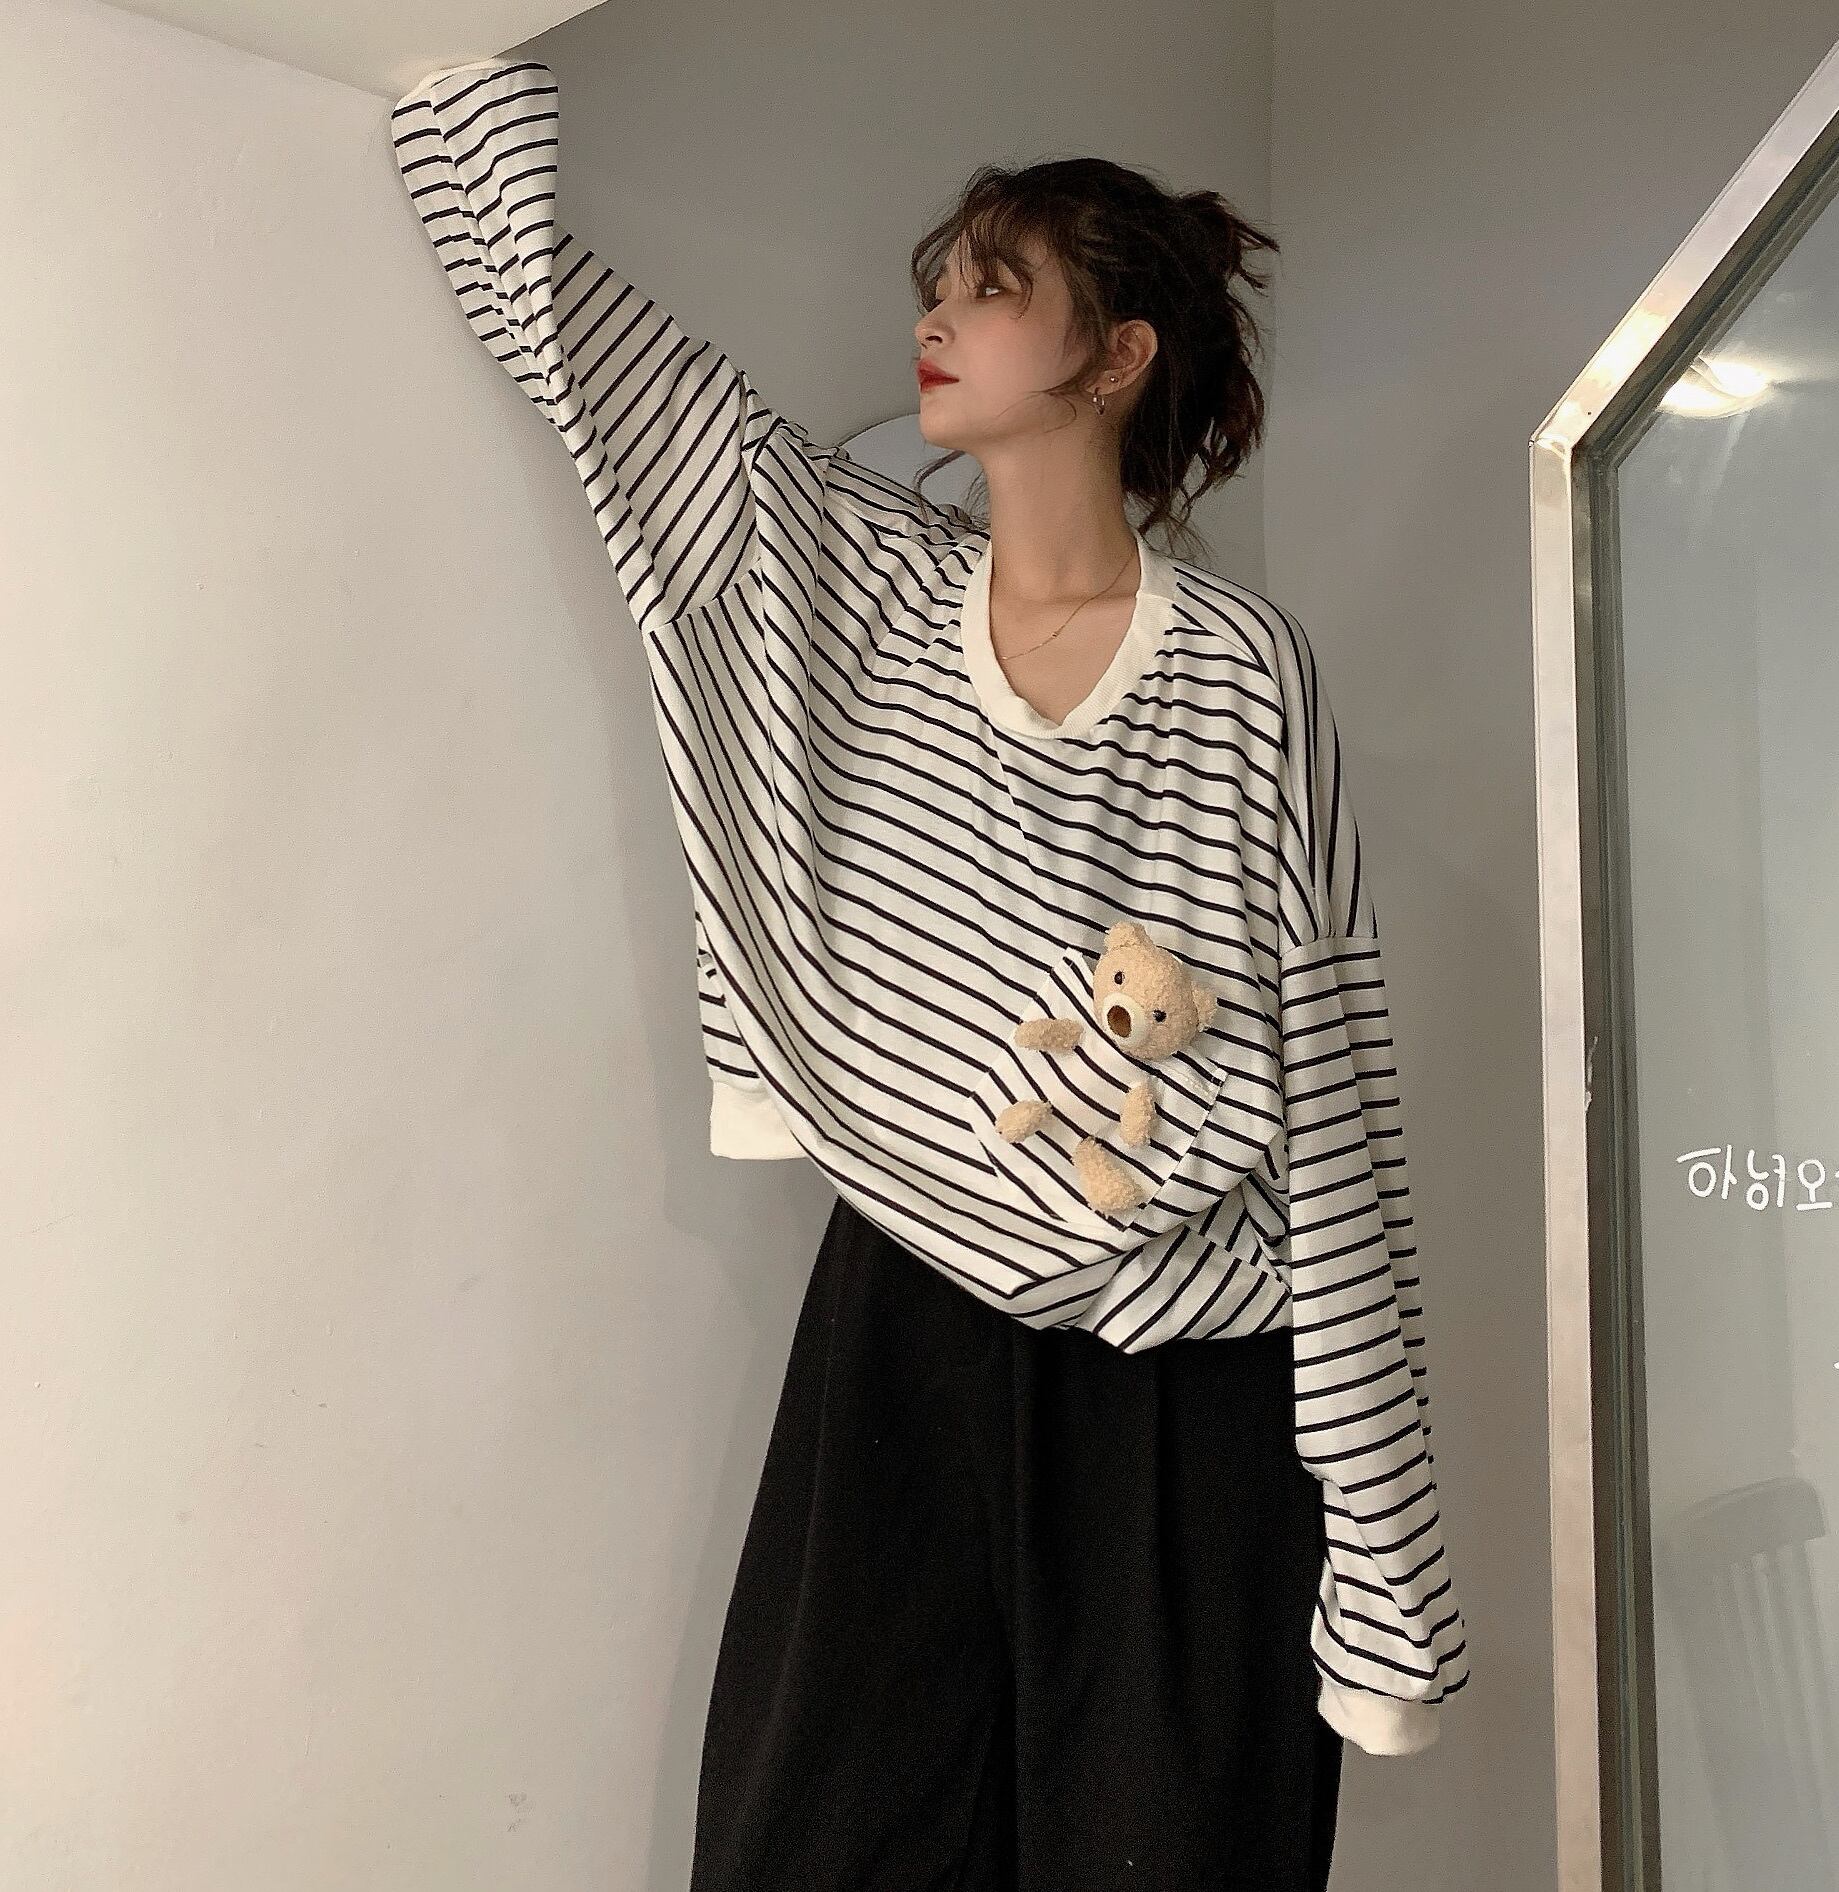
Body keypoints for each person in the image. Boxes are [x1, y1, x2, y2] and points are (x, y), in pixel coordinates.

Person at [390, 56, 1470, 1890]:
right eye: (939, 284)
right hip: (902, 1327)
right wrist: (464, 113)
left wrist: (1385, 1565)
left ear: (1116, 356)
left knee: (1168, 1851)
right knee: (818, 1837)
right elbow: (619, 393)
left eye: (992, 287)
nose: (936, 318)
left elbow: (1332, 1099)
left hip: (1180, 1392)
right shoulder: (865, 584)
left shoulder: (1239, 671)